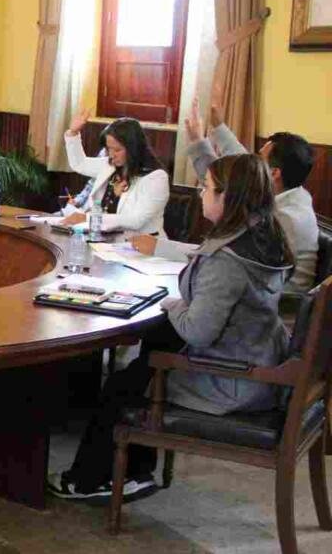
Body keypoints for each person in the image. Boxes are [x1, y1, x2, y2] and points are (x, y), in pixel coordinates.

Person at [49, 154, 293, 501]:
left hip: (233, 380)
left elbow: (196, 331)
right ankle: (136, 472)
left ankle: (89, 480)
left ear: (229, 197)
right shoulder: (263, 237)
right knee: (150, 351)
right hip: (257, 358)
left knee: (121, 386)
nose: (199, 194)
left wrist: (172, 302)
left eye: (206, 188)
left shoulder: (227, 261)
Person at [179, 99, 318, 292]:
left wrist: (158, 248)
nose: (252, 163)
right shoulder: (295, 195)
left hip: (277, 308)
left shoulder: (281, 217)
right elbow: (240, 170)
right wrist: (218, 127)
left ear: (274, 173)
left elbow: (228, 186)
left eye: (259, 159)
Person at [60, 112, 169, 234]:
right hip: (105, 240)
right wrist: (73, 133)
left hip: (141, 245)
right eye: (108, 149)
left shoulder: (156, 178)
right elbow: (79, 164)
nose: (111, 155)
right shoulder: (110, 166)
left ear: (134, 148)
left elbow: (137, 220)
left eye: (117, 150)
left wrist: (89, 217)